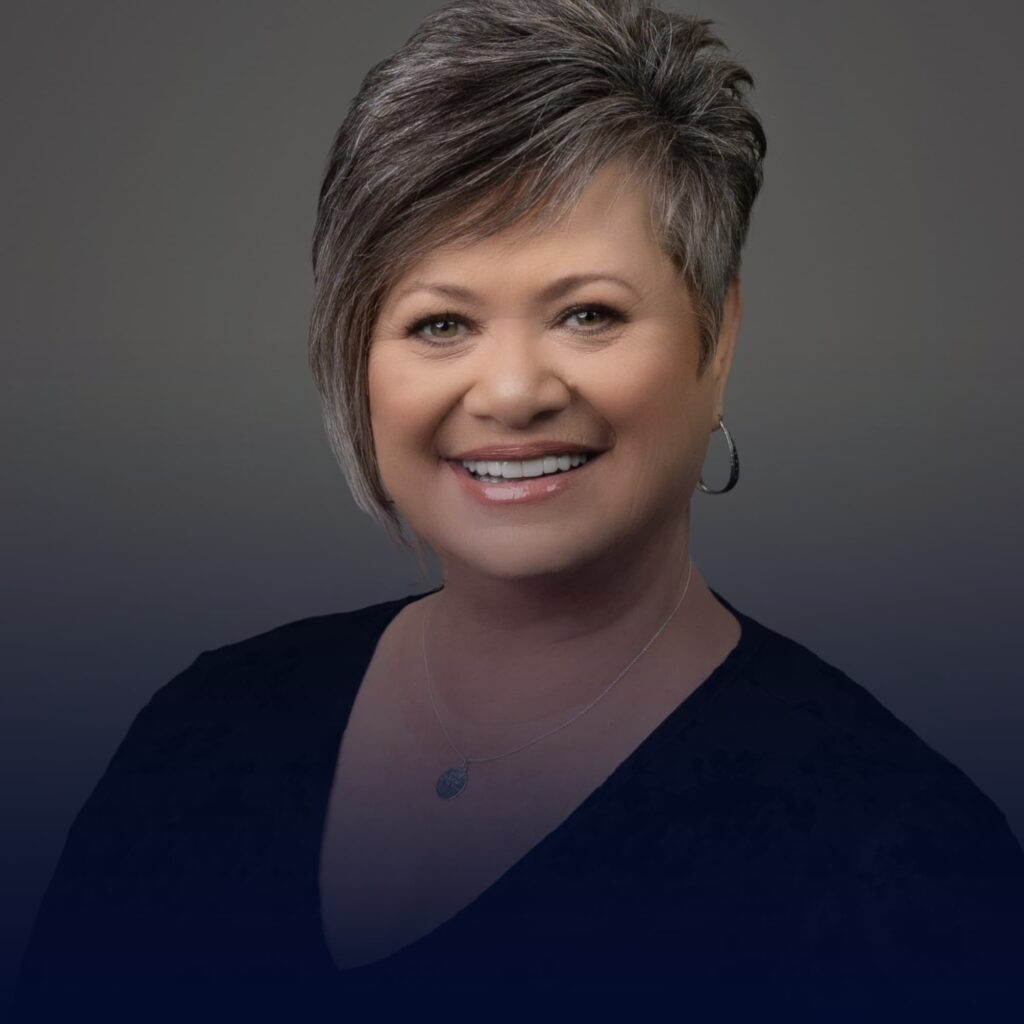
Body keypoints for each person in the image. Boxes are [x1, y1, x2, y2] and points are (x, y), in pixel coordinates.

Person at [14, 0, 1024, 1020]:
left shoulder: (897, 847)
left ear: (715, 342)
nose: (509, 392)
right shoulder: (201, 735)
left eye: (588, 313)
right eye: (439, 321)